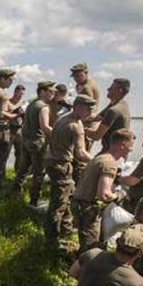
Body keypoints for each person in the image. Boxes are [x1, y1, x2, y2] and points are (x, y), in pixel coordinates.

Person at [43, 95, 96, 250]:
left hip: (51, 160)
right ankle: (50, 239)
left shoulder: (62, 118)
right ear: (78, 107)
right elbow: (80, 154)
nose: (90, 113)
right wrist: (97, 162)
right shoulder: (76, 126)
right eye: (88, 109)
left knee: (69, 194)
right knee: (58, 202)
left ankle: (66, 228)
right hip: (61, 164)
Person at [71, 128, 135, 253]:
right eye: (131, 146)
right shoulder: (110, 163)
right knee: (91, 249)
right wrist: (119, 195)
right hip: (87, 207)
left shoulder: (100, 157)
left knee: (87, 241)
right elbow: (104, 195)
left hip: (79, 204)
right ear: (123, 145)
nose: (132, 149)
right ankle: (85, 269)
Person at [13, 80, 55, 205]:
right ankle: (34, 200)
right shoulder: (43, 107)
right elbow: (45, 127)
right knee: (39, 172)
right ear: (42, 91)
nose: (52, 94)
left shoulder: (32, 104)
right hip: (37, 143)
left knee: (23, 169)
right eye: (50, 91)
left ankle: (15, 191)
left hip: (26, 141)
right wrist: (59, 134)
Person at [87, 78, 131, 153]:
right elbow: (97, 117)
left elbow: (96, 135)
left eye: (112, 87)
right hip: (118, 151)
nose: (108, 89)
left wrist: (80, 129)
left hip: (112, 152)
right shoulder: (119, 104)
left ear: (120, 90)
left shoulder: (114, 110)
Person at [8, 84, 27, 178]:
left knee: (20, 153)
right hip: (10, 128)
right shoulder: (9, 102)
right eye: (19, 93)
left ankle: (17, 172)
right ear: (15, 92)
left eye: (22, 94)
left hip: (20, 129)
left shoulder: (23, 103)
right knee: (6, 151)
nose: (20, 96)